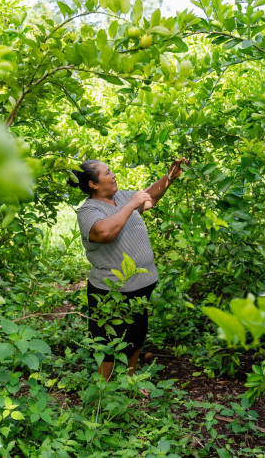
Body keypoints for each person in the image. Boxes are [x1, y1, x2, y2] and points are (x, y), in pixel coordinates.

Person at [70, 158, 187, 386]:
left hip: (142, 284)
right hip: (112, 290)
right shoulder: (88, 210)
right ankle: (104, 392)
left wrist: (169, 177)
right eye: (107, 173)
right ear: (93, 184)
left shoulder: (122, 198)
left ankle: (129, 383)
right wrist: (131, 205)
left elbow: (149, 198)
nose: (113, 175)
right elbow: (104, 233)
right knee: (107, 340)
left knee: (136, 334)